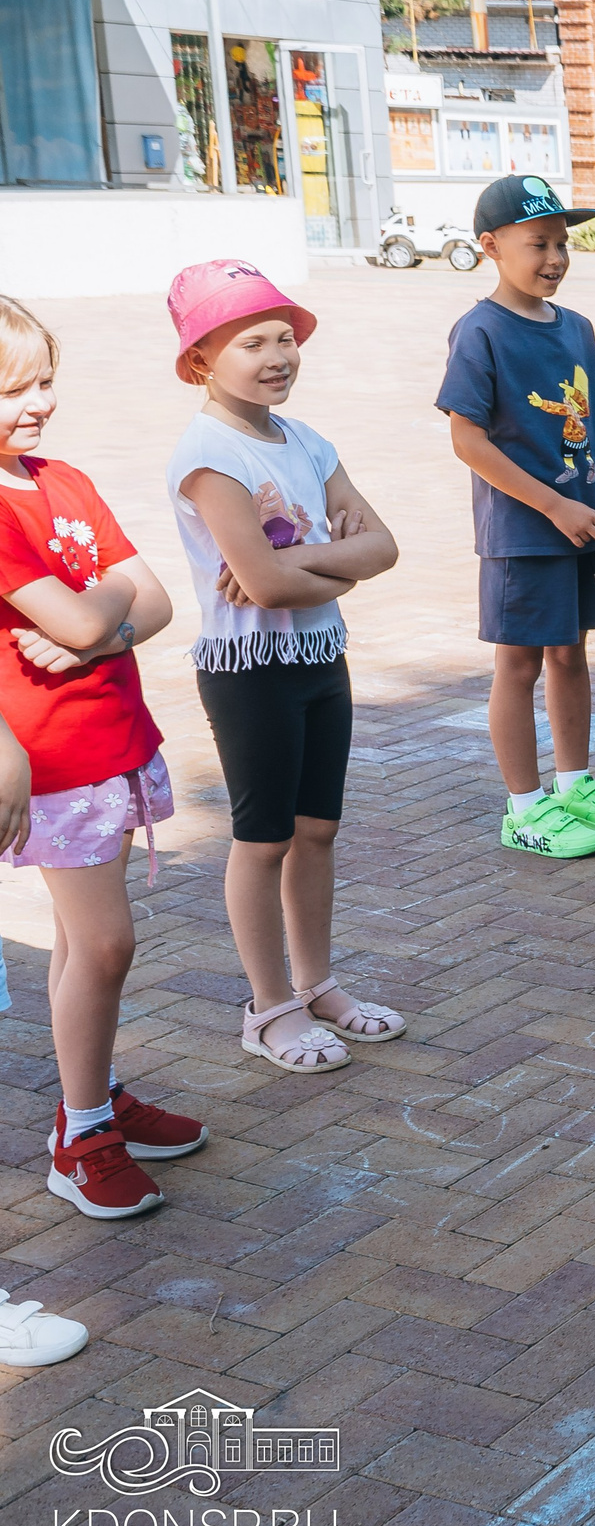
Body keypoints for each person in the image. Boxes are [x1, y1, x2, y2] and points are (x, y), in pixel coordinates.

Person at [165, 261, 405, 1078]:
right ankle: (269, 1008)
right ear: (200, 358)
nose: (278, 355)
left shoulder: (306, 440)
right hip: (251, 666)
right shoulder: (207, 451)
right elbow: (262, 589)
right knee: (262, 839)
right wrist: (339, 564)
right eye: (252, 341)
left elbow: (387, 547)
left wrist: (310, 559)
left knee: (318, 832)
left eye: (285, 339)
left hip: (317, 652)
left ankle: (318, 982)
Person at [0, 297, 201, 1220]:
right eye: (11, 388)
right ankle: (81, 1135)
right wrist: (102, 620)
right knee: (107, 942)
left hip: (112, 744)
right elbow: (107, 608)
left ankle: (96, 1096)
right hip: (56, 764)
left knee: (90, 942)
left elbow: (155, 602)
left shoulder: (63, 479)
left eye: (43, 381)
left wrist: (97, 631)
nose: (36, 402)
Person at [439, 173, 595, 860]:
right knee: (520, 664)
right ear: (492, 246)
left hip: (584, 524)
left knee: (571, 652)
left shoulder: (578, 327)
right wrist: (555, 504)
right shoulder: (480, 331)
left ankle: (574, 782)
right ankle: (524, 808)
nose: (554, 257)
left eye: (562, 243)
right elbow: (467, 438)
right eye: (538, 243)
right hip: (525, 532)